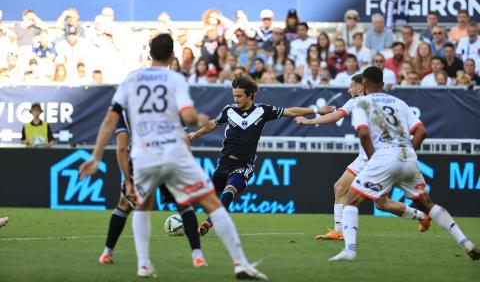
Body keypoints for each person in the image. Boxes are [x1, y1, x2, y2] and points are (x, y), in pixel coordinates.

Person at [79, 34, 268, 280]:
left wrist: (95, 156)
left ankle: (144, 265)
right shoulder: (175, 78)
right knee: (211, 202)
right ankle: (240, 263)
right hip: (173, 153)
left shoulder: (130, 80)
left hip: (144, 155)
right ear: (172, 56)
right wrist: (197, 119)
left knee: (143, 206)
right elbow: (187, 115)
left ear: (150, 54)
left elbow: (110, 119)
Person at [329, 66, 480, 262]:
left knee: (350, 201)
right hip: (407, 157)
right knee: (427, 204)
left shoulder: (362, 103)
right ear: (383, 84)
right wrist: (408, 152)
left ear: (364, 84)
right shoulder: (399, 102)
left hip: (383, 157)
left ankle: (349, 250)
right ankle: (466, 242)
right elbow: (421, 131)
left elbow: (364, 133)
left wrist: (374, 157)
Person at [188, 75, 335, 237]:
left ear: (250, 95)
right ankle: (187, 217)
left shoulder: (262, 111)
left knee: (230, 190)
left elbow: (290, 111)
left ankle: (209, 222)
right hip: (224, 164)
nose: (236, 99)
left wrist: (316, 110)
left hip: (244, 165)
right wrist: (194, 135)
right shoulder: (229, 111)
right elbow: (211, 124)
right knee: (206, 194)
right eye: (234, 96)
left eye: (239, 96)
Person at [294, 74, 430, 240]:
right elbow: (337, 115)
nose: (348, 89)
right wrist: (310, 121)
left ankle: (421, 216)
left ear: (359, 87)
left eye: (351, 86)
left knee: (381, 204)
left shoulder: (379, 102)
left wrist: (308, 122)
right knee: (340, 188)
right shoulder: (354, 102)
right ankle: (339, 231)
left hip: (381, 159)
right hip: (364, 158)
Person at [98, 111, 207, 268]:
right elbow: (184, 141)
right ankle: (198, 256)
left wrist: (128, 181)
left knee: (125, 205)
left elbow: (121, 149)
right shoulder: (170, 104)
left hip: (142, 163)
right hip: (170, 161)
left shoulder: (126, 109)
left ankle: (108, 254)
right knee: (184, 204)